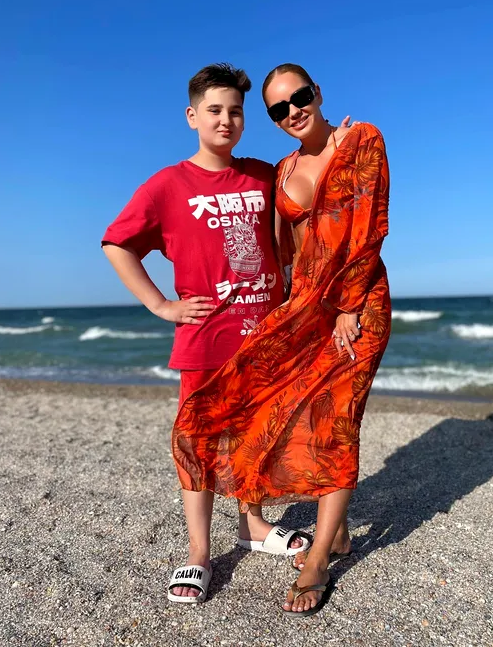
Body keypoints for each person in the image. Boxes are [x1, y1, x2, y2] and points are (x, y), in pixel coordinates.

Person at [173, 63, 391, 616]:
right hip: (305, 308)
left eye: (300, 97)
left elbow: (369, 230)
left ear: (317, 92)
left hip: (358, 306)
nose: (293, 110)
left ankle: (318, 559)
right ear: (272, 119)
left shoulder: (362, 139)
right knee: (291, 414)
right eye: (278, 108)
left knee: (338, 421)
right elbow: (281, 247)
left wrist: (348, 307)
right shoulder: (285, 168)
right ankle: (335, 530)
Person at [101, 63, 310, 605]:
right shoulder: (168, 185)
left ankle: (253, 526)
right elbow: (117, 243)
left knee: (255, 435)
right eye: (214, 110)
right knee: (198, 444)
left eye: (235, 111)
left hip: (264, 337)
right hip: (205, 340)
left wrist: (338, 139)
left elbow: (312, 186)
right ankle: (198, 551)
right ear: (192, 116)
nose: (226, 120)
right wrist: (160, 304)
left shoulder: (263, 175)